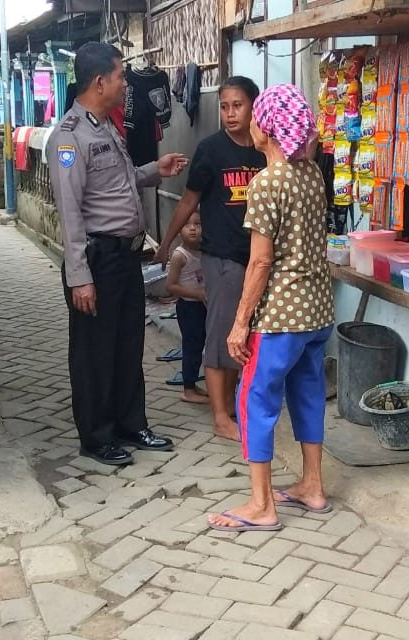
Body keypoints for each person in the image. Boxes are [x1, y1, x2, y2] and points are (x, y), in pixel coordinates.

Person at [46, 42, 189, 466]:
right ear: (99, 81)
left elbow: (116, 182)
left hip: (126, 258)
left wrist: (153, 171)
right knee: (95, 352)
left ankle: (131, 423)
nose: (126, 83)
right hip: (97, 261)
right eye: (122, 76)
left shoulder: (107, 126)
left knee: (129, 344)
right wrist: (80, 277)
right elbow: (71, 212)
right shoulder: (69, 137)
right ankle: (97, 435)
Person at [206, 84, 335, 532]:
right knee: (308, 393)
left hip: (280, 316)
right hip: (317, 311)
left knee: (253, 398)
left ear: (267, 127)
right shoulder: (312, 174)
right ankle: (312, 486)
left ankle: (261, 505)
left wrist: (240, 322)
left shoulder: (266, 183)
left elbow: (260, 260)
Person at [154, 77, 266, 442]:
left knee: (244, 338)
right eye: (224, 106)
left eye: (238, 105)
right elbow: (188, 200)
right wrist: (167, 241)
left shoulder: (265, 151)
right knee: (221, 337)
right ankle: (220, 417)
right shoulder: (211, 150)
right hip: (222, 258)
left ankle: (231, 407)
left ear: (254, 106)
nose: (230, 113)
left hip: (258, 259)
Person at [165, 212, 208, 405]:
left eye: (197, 224)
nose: (192, 228)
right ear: (179, 230)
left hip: (203, 306)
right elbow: (171, 286)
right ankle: (188, 390)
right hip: (188, 308)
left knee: (199, 347)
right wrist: (196, 294)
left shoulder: (204, 251)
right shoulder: (179, 256)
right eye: (187, 224)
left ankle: (192, 384)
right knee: (191, 348)